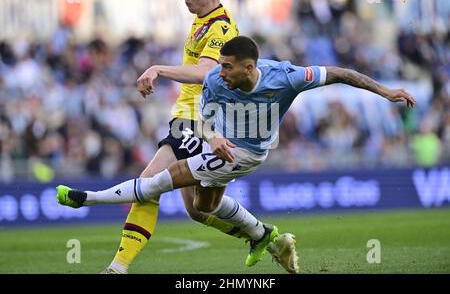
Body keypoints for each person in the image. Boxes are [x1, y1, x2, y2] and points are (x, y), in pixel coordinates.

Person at [57, 35, 416, 272]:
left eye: (228, 66)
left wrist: (385, 91)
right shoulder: (215, 79)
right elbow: (208, 117)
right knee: (204, 208)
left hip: (248, 152)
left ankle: (86, 198)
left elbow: (339, 73)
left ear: (249, 67)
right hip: (224, 145)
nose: (220, 71)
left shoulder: (286, 77)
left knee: (158, 183)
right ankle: (264, 236)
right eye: (220, 64)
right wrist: (211, 137)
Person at [95, 0, 297, 274]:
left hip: (199, 118)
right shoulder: (203, 7)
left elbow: (206, 72)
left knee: (150, 181)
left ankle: (117, 268)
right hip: (186, 116)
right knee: (198, 211)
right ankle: (262, 235)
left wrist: (157, 69)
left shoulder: (221, 29)